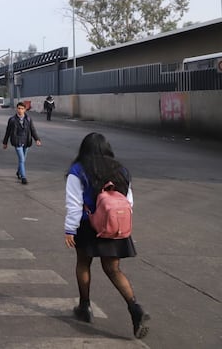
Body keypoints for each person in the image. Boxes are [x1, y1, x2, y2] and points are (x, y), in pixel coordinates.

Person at [64, 132, 149, 339]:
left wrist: (69, 229)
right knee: (113, 269)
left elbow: (74, 204)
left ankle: (85, 307)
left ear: (84, 149)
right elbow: (128, 203)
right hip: (114, 226)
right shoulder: (121, 170)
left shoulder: (78, 170)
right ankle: (135, 308)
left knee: (83, 264)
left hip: (88, 226)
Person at [2, 102, 41, 184]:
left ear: (25, 110)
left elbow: (33, 130)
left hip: (26, 141)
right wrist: (5, 142)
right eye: (19, 108)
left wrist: (37, 139)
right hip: (17, 142)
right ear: (17, 109)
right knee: (22, 159)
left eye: (22, 109)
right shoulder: (12, 120)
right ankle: (23, 177)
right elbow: (8, 132)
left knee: (23, 160)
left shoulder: (28, 119)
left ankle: (18, 172)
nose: (20, 110)